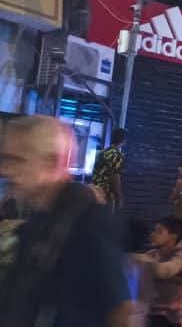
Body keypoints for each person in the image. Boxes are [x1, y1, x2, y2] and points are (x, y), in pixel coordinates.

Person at [0, 116, 131, 326]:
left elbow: (120, 310)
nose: (6, 171)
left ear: (51, 163)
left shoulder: (90, 221)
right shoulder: (38, 219)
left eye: (18, 160)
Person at [135, 215, 182, 327]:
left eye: (159, 231)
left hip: (168, 317)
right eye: (154, 231)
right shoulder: (151, 254)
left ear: (173, 236)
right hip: (147, 313)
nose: (153, 235)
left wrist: (168, 278)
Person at [92, 127, 127, 210]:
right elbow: (115, 177)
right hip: (106, 195)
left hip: (95, 192)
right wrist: (118, 197)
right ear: (123, 141)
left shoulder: (103, 152)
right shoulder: (117, 155)